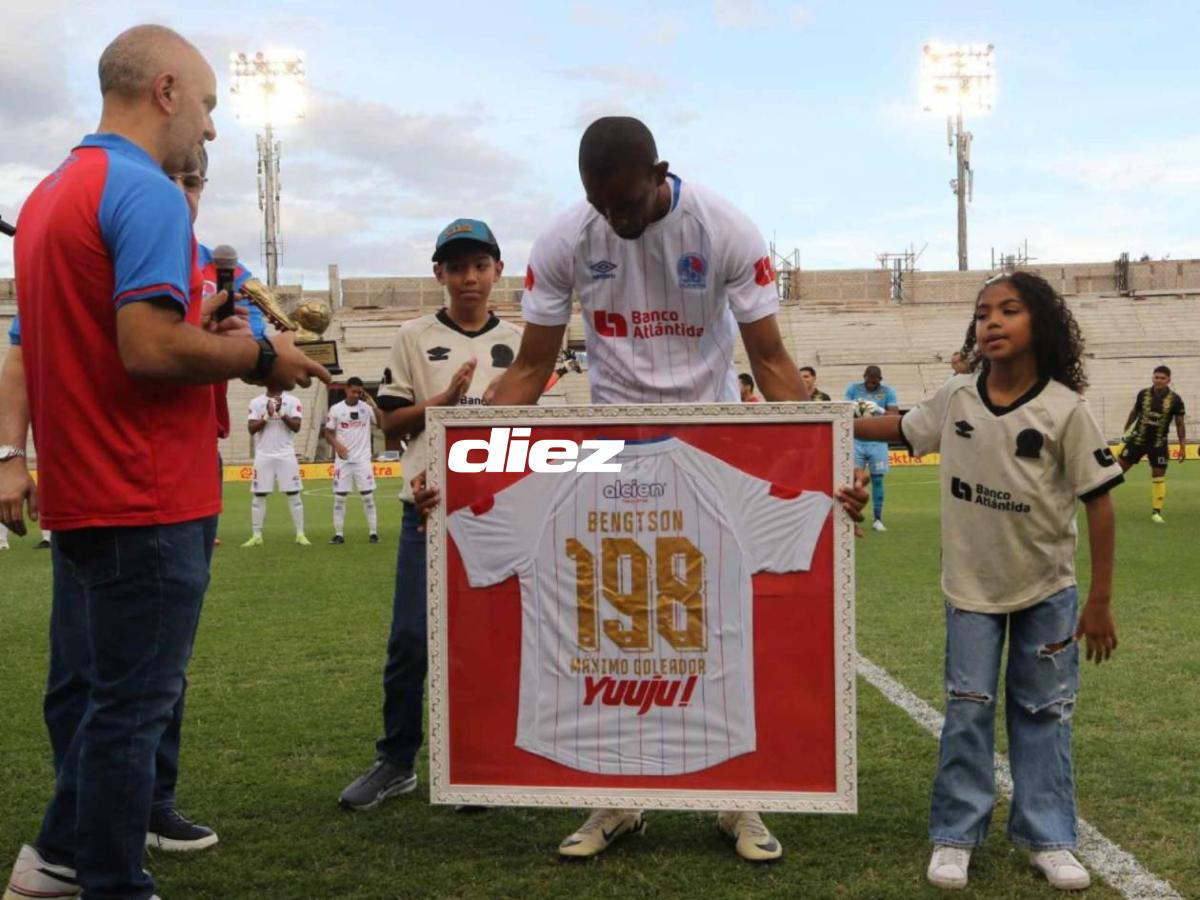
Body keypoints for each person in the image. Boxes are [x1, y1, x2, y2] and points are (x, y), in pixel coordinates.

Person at [468, 116, 867, 863]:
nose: (613, 221)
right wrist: (469, 467)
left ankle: (738, 804)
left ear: (660, 173)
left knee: (705, 616)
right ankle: (617, 800)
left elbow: (773, 359)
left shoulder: (723, 230)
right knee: (607, 620)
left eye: (624, 202)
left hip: (711, 436)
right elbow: (528, 370)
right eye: (599, 205)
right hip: (609, 448)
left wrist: (820, 463)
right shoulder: (564, 241)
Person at [1, 25, 327, 900]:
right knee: (130, 710)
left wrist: (209, 337)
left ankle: (56, 862)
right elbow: (147, 349)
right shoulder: (141, 191)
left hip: (90, 490)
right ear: (168, 89)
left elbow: (92, 346)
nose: (213, 131)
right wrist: (263, 360)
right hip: (140, 493)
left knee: (112, 700)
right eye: (212, 107)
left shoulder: (50, 194)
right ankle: (106, 879)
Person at [855, 271, 1121, 892]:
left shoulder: (1065, 407)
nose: (992, 323)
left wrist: (1101, 600)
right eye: (982, 314)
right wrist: (826, 420)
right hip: (970, 590)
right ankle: (955, 836)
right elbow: (900, 429)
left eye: (1009, 311)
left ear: (1041, 325)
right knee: (967, 710)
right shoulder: (957, 396)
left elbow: (1100, 504)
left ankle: (1050, 839)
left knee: (1043, 712)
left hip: (1048, 592)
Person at [338, 218, 523, 810]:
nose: (469, 278)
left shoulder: (521, 342)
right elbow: (391, 424)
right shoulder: (413, 337)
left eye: (480, 266)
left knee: (490, 643)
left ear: (497, 270)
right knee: (412, 641)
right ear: (438, 273)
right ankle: (396, 761)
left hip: (499, 512)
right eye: (457, 267)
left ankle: (480, 762)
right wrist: (443, 403)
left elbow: (535, 434)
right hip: (428, 511)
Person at [1117, 365, 1186, 523]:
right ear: (1152, 378)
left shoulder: (1175, 399)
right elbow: (1134, 412)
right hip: (1137, 440)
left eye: (1162, 378)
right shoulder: (1143, 394)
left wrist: (1182, 445)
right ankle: (1098, 501)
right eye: (1156, 377)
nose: (1159, 380)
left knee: (1158, 475)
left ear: (1168, 380)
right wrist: (1125, 431)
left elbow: (1180, 423)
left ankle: (1156, 512)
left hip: (1158, 443)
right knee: (1116, 471)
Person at [242, 388, 309, 546]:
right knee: (259, 495)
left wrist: (281, 413)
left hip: (286, 454)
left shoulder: (293, 400)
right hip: (264, 454)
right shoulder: (256, 402)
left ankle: (300, 534)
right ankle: (256, 535)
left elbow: (296, 427)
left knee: (294, 494)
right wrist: (267, 415)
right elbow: (251, 429)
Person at [325, 376, 382, 544]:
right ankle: (339, 534)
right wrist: (338, 446)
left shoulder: (366, 408)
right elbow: (328, 433)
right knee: (340, 498)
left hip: (363, 460)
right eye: (354, 391)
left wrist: (373, 403)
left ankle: (373, 533)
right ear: (346, 390)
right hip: (343, 460)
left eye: (360, 392)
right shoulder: (336, 409)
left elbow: (381, 423)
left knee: (368, 497)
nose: (357, 395)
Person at [844, 365, 898, 532]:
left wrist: (879, 410)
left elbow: (895, 416)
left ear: (880, 380)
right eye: (868, 381)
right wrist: (854, 407)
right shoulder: (853, 389)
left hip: (878, 441)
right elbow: (843, 410)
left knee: (877, 479)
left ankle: (878, 519)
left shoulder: (888, 391)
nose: (871, 385)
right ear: (864, 377)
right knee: (853, 481)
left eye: (874, 382)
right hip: (856, 441)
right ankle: (851, 519)